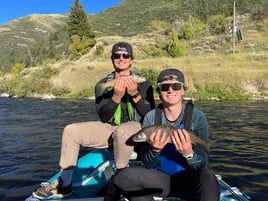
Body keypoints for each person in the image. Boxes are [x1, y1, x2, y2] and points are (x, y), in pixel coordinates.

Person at [32, 42, 155, 200]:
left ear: (131, 60)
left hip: (137, 130)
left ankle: (121, 180)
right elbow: (103, 116)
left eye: (125, 55)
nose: (121, 58)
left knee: (122, 130)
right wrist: (116, 96)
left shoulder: (143, 82)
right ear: (112, 59)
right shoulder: (103, 84)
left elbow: (150, 114)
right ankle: (65, 183)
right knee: (71, 130)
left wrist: (135, 94)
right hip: (109, 128)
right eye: (117, 56)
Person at [112, 68, 220, 201]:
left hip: (188, 180)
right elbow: (147, 164)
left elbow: (202, 165)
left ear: (183, 90)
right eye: (165, 87)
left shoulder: (197, 117)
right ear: (159, 92)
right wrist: (155, 150)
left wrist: (189, 153)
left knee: (209, 178)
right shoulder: (150, 117)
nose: (171, 90)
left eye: (176, 86)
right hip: (160, 180)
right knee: (122, 177)